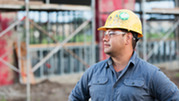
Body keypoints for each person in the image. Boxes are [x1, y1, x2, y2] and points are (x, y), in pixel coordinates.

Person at [69, 9, 179, 101]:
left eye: (111, 34)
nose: (105, 38)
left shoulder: (150, 74)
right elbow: (75, 98)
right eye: (105, 34)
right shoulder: (93, 72)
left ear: (127, 38)